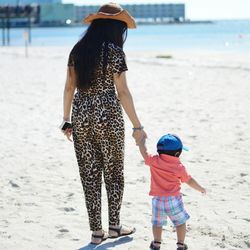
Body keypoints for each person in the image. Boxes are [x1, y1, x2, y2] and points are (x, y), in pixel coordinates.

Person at [60, 3, 147, 245]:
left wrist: (66, 120)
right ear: (114, 28)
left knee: (89, 174)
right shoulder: (114, 52)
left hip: (82, 113)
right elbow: (123, 92)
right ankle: (115, 226)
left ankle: (97, 232)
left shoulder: (78, 50)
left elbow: (69, 88)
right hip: (108, 114)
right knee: (113, 171)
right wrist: (138, 126)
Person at [137, 134, 206, 250]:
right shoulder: (179, 167)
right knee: (180, 222)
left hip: (158, 200)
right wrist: (201, 189)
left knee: (157, 223)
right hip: (173, 200)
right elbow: (189, 180)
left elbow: (144, 153)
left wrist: (141, 142)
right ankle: (180, 244)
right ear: (177, 153)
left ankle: (156, 243)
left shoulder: (154, 160)